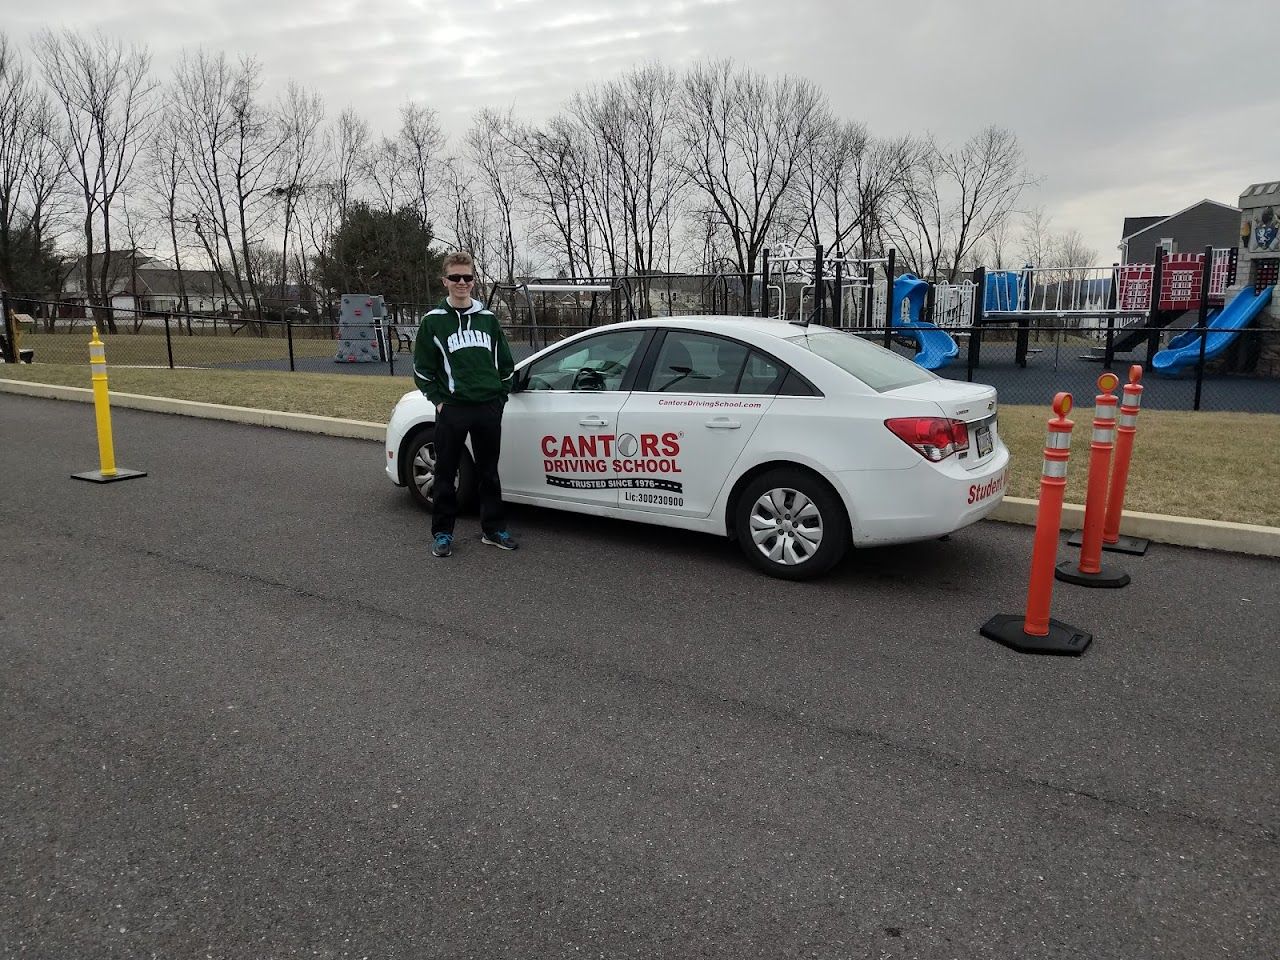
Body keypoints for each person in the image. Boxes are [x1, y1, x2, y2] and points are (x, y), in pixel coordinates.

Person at [412, 252, 519, 558]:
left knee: (489, 472)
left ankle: (493, 529)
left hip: (487, 407)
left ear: (474, 281)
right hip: (453, 408)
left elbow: (506, 365)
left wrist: (499, 397)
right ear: (445, 281)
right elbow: (422, 370)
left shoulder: (487, 320)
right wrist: (440, 402)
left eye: (467, 278)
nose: (462, 283)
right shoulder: (433, 322)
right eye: (455, 278)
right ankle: (443, 533)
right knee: (446, 473)